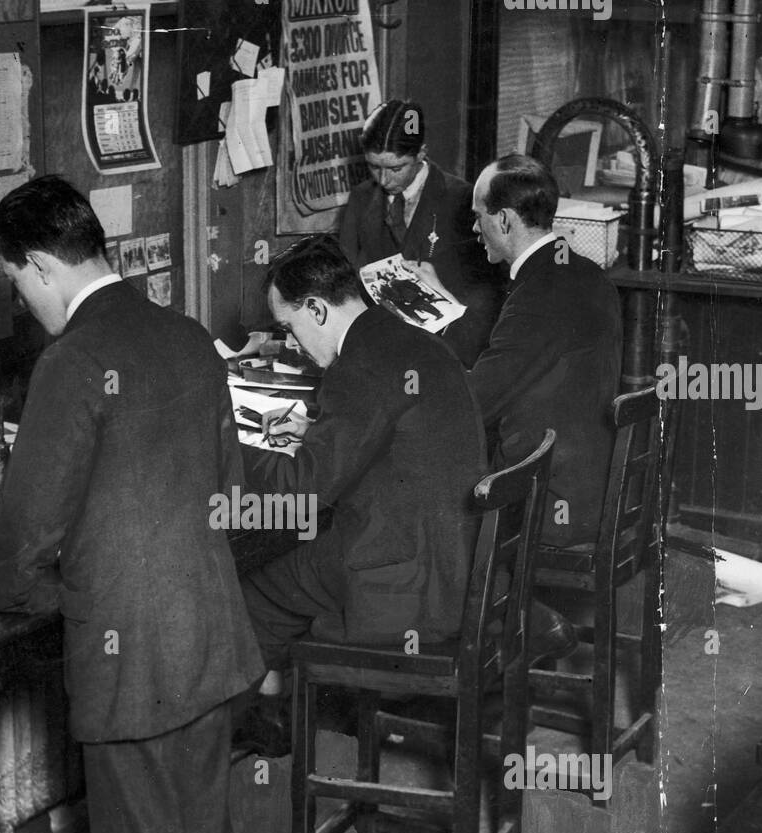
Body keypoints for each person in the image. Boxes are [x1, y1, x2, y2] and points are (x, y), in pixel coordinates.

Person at [0, 175, 263, 833]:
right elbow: (232, 491)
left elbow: (20, 545)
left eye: (18, 283)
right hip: (212, 646)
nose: (25, 303)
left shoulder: (70, 365)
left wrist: (57, 594)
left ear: (37, 266)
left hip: (131, 668)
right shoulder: (185, 335)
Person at [235, 235, 486, 746]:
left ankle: (261, 729)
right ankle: (279, 709)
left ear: (317, 308)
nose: (295, 345)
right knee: (294, 562)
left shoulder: (360, 366)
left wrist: (225, 448)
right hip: (453, 557)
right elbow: (389, 438)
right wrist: (315, 436)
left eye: (290, 327)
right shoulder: (401, 337)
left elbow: (302, 492)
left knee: (249, 588)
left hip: (406, 582)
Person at [416, 153, 621, 552]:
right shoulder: (585, 274)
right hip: (588, 485)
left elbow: (474, 405)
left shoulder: (537, 296)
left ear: (505, 220)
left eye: (478, 217)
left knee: (409, 496)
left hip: (547, 503)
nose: (475, 228)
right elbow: (521, 365)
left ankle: (475, 611)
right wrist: (440, 303)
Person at [338, 98, 502, 355]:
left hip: (448, 348)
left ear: (421, 153)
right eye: (373, 167)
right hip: (383, 345)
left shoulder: (462, 200)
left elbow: (486, 296)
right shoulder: (361, 199)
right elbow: (344, 274)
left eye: (396, 168)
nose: (383, 179)